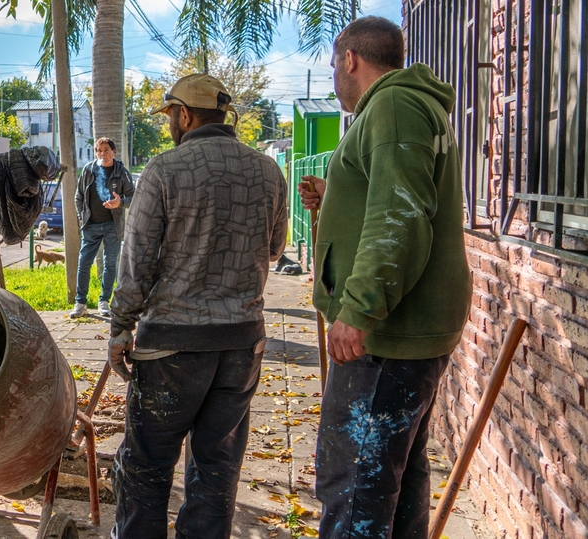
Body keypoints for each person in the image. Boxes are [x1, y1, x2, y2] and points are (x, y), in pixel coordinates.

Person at [297, 17, 471, 539]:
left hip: (385, 334)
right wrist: (335, 198)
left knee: (354, 485)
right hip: (404, 331)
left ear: (350, 59)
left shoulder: (392, 108)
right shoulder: (407, 107)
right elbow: (397, 196)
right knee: (394, 481)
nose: (335, 77)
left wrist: (358, 310)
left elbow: (400, 214)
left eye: (334, 65)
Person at [107, 74, 288, 539]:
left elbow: (137, 261)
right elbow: (273, 249)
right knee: (217, 469)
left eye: (170, 115)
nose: (170, 123)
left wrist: (121, 327)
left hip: (172, 347)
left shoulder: (163, 170)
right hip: (241, 345)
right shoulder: (269, 171)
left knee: (147, 468)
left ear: (184, 115)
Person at [70, 137, 134, 318]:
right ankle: (80, 303)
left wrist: (120, 202)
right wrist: (82, 218)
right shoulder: (88, 170)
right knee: (84, 263)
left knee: (110, 264)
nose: (102, 154)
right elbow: (78, 196)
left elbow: (134, 197)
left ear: (114, 152)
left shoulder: (122, 173)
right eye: (99, 150)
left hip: (113, 226)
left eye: (106, 150)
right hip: (90, 226)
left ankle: (104, 301)